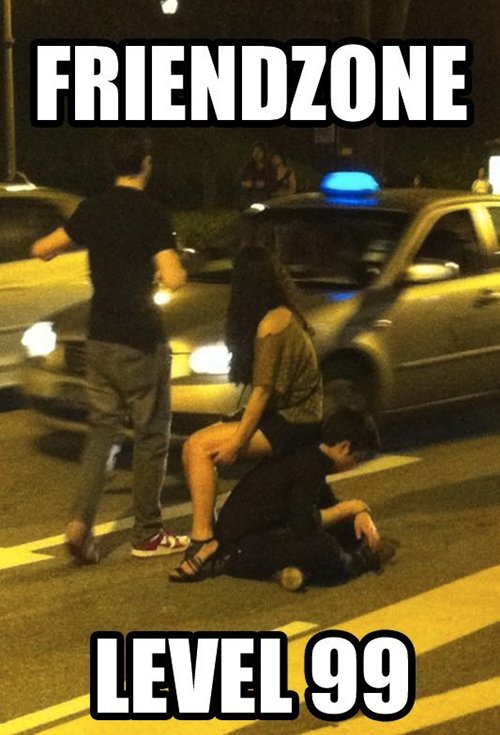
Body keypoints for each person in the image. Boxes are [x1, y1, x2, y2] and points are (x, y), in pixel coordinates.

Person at [31, 130, 189, 564]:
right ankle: (148, 533)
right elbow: (174, 277)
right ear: (146, 163)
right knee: (151, 434)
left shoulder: (93, 209)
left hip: (98, 338)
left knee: (103, 432)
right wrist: (166, 279)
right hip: (140, 340)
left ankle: (79, 524)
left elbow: (43, 248)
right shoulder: (152, 213)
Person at [169, 245, 323, 581]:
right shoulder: (279, 314)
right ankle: (207, 538)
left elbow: (262, 391)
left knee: (198, 447)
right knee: (194, 445)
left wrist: (238, 441)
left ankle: (203, 543)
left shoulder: (272, 324)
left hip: (295, 420)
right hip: (287, 414)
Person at [214, 407, 390, 591]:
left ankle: (296, 571)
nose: (354, 465)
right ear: (344, 447)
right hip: (241, 548)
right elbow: (304, 523)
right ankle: (363, 560)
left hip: (267, 533)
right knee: (326, 549)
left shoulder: (313, 455)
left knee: (348, 529)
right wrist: (349, 508)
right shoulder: (309, 465)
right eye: (356, 458)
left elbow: (325, 503)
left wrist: (359, 513)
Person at [238, 143, 273, 208]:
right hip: (248, 197)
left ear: (264, 153)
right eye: (254, 151)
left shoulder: (269, 168)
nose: (256, 154)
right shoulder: (248, 167)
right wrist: (244, 183)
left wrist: (264, 184)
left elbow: (273, 183)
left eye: (259, 151)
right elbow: (239, 180)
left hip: (263, 198)